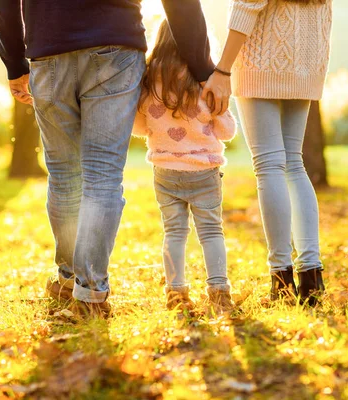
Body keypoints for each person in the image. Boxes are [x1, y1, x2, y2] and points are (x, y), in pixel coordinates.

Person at [0, 0, 226, 318]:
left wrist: (15, 64)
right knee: (102, 173)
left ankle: (69, 278)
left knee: (64, 173)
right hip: (115, 47)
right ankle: (89, 293)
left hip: (48, 50)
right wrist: (201, 68)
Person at [202, 0, 333, 306]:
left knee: (270, 165)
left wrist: (223, 68)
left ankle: (281, 279)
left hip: (263, 57)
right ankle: (312, 277)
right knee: (293, 164)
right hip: (307, 62)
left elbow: (247, 5)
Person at [133, 21, 237, 315]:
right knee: (211, 232)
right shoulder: (206, 82)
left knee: (174, 232)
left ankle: (176, 292)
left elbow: (140, 126)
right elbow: (227, 130)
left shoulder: (150, 81)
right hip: (204, 170)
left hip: (165, 170)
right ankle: (218, 290)